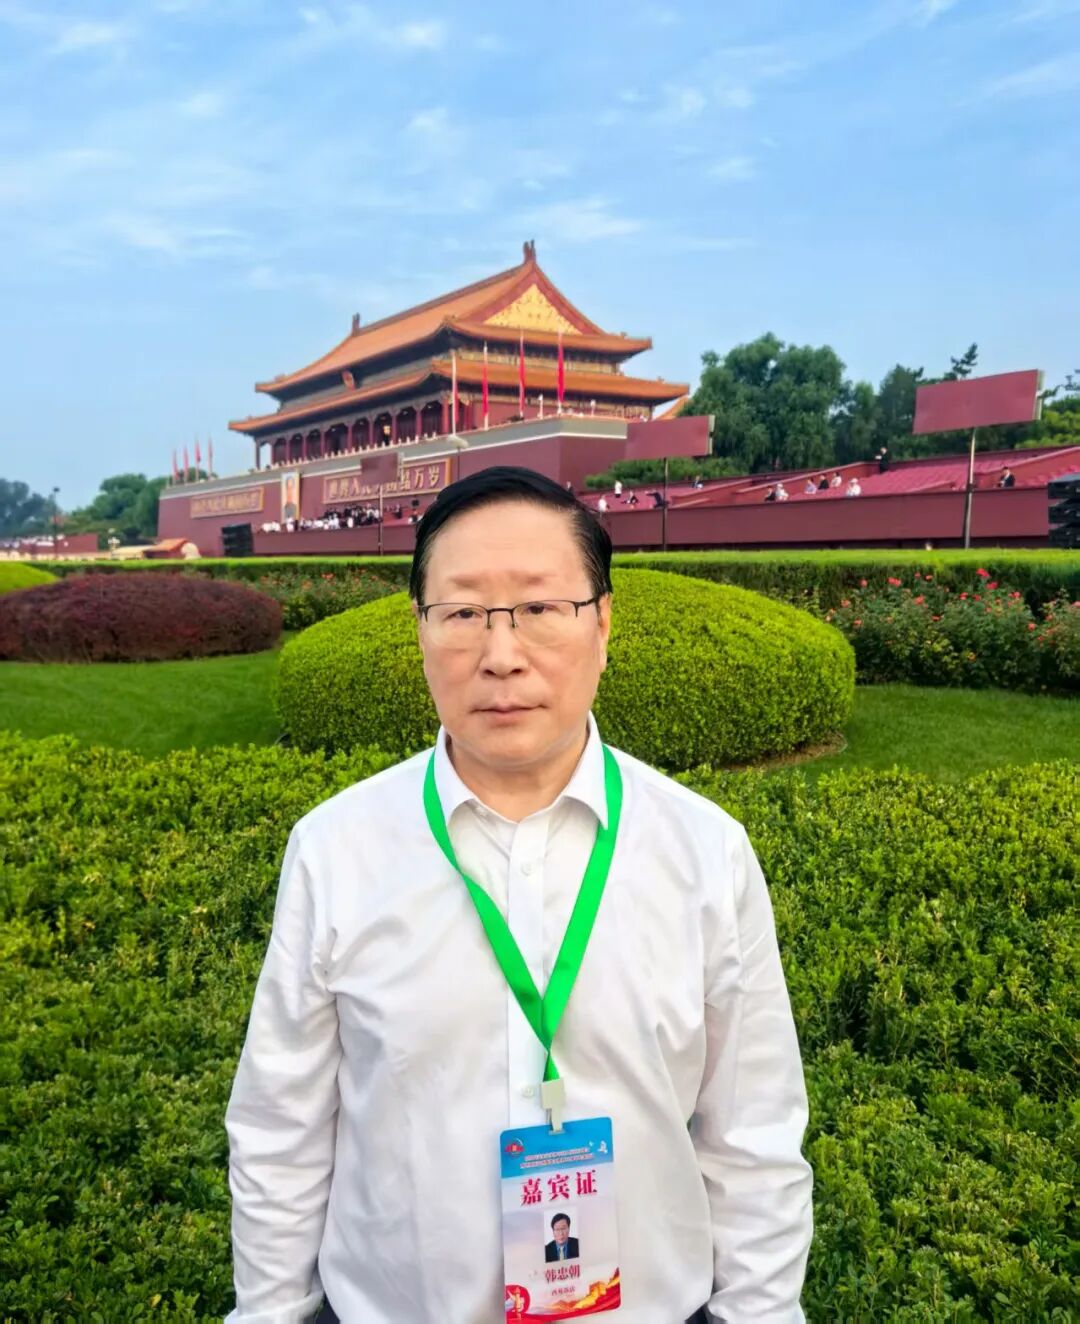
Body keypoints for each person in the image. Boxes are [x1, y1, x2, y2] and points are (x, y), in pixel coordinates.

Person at [224, 466, 812, 1324]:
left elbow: (752, 1137)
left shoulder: (704, 852)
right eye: (463, 613)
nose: (501, 655)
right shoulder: (337, 851)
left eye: (540, 608)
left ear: (602, 623)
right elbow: (281, 1131)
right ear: (420, 630)